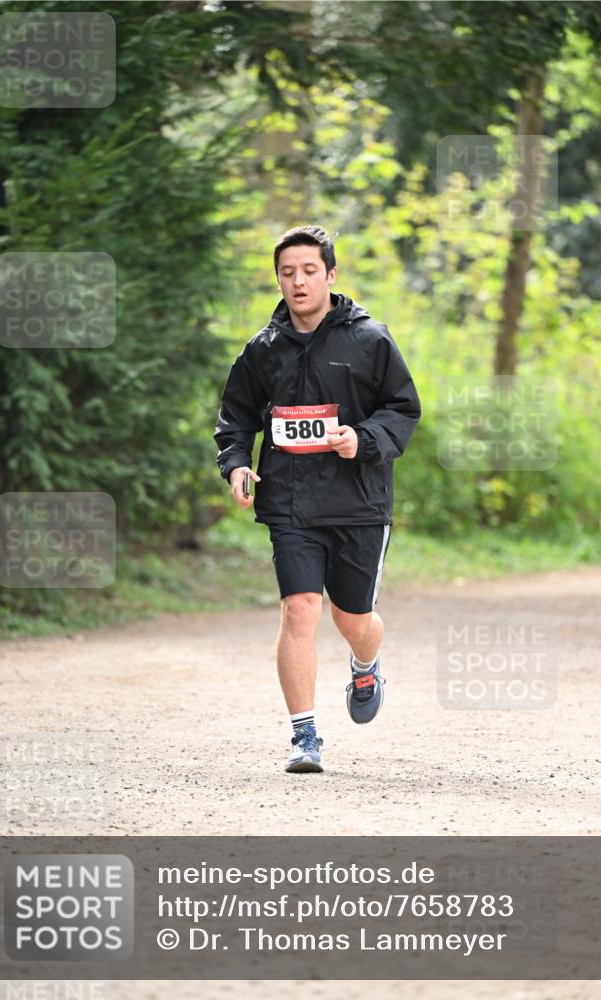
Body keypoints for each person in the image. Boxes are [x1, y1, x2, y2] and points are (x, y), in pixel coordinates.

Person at [214, 225, 421, 774]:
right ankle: (304, 737)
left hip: (358, 502)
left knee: (352, 617)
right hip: (290, 503)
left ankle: (366, 662)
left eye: (309, 271)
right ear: (278, 280)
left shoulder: (370, 340)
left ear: (331, 275)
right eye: (288, 272)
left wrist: (362, 438)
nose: (298, 281)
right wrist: (236, 462)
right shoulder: (262, 349)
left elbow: (403, 409)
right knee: (299, 609)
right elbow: (234, 416)